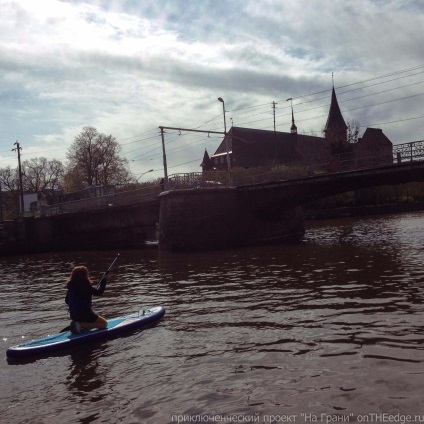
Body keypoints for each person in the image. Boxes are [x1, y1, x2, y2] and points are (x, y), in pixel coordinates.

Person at [65, 265, 108, 334]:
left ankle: (78, 324)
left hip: (73, 315)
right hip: (85, 314)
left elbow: (67, 301)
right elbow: (99, 292)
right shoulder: (86, 285)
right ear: (85, 275)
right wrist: (104, 279)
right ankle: (80, 325)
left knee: (91, 321)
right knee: (104, 324)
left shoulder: (71, 286)